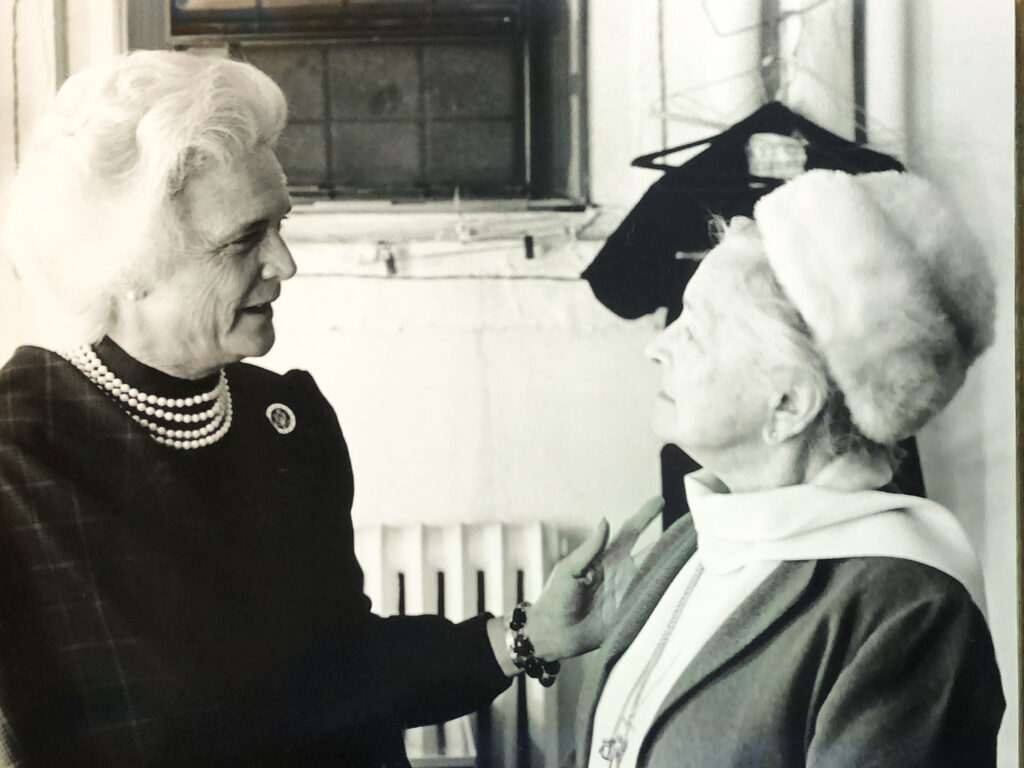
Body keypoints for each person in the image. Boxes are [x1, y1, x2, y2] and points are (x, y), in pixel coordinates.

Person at [0, 50, 608, 767]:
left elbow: (336, 670)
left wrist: (531, 632)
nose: (285, 263)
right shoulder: (20, 458)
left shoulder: (283, 420)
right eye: (244, 239)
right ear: (128, 267)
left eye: (280, 224)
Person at [575, 170, 1005, 767]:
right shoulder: (691, 540)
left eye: (694, 329)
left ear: (788, 405)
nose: (658, 346)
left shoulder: (910, 611)